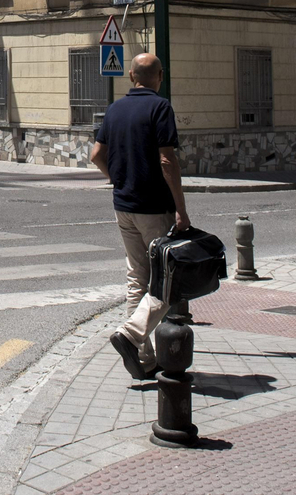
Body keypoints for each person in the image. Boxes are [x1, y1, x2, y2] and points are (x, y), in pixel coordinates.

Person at [89, 52, 190, 380]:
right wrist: (181, 208)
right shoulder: (160, 107)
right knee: (168, 281)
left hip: (123, 205)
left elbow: (95, 154)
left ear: (131, 76)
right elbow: (167, 161)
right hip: (153, 207)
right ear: (159, 76)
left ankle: (144, 359)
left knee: (137, 278)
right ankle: (132, 335)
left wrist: (115, 178)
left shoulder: (115, 109)